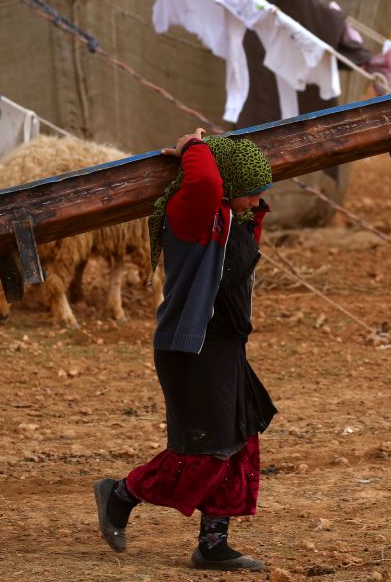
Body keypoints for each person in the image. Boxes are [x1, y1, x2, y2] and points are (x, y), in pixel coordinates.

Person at [93, 127, 277, 572]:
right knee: (205, 450)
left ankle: (213, 543)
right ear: (230, 185)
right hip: (192, 349)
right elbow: (207, 182)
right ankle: (120, 495)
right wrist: (193, 147)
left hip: (225, 348)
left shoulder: (230, 218)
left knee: (238, 443)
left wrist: (225, 157)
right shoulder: (192, 214)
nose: (256, 202)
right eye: (250, 193)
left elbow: (238, 203)